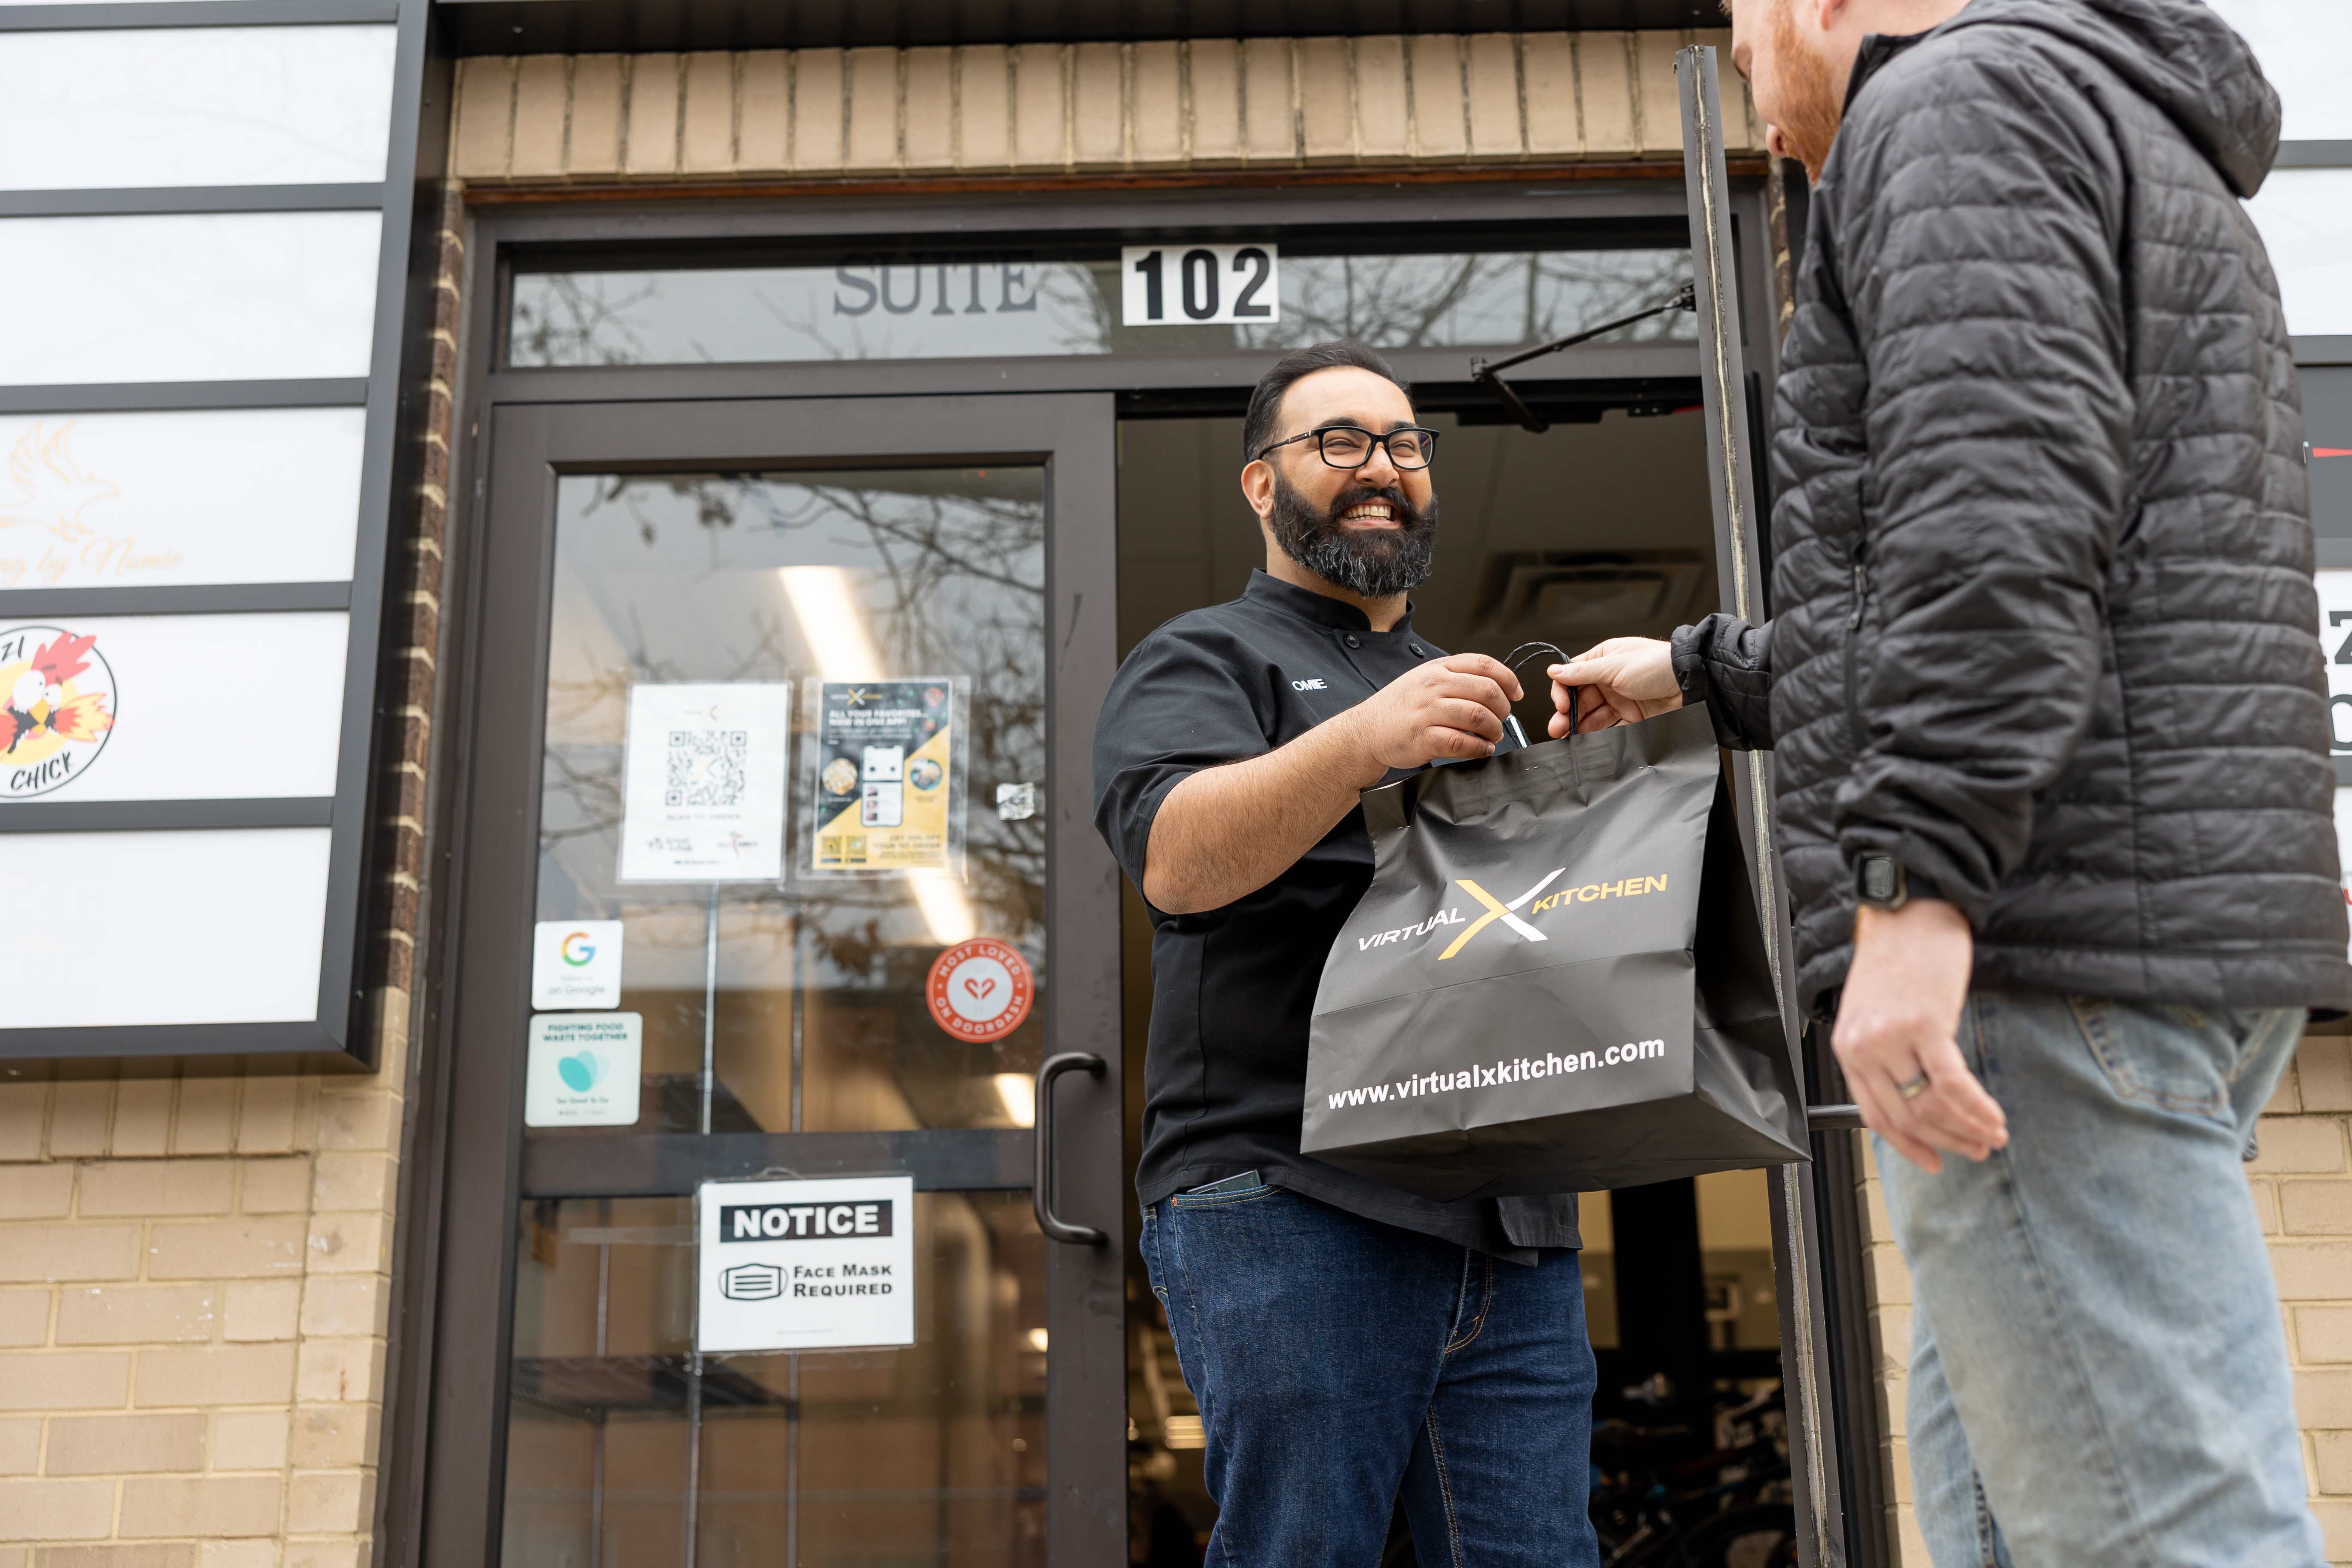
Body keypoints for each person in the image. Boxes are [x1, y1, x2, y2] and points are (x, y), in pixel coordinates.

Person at [1551, 0, 2352, 1562]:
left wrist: (1916, 887)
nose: (1745, 80)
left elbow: (1993, 532)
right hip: (2129, 928)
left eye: (1741, 24)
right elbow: (2014, 569)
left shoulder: (1959, 107)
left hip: (2038, 952)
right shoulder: (2116, 120)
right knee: (2002, 1509)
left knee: (2159, 1533)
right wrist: (1692, 669)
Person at [1092, 340, 1599, 1568]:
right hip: (1290, 1199)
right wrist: (1364, 741)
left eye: (1405, 445)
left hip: (1507, 1226)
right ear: (1261, 485)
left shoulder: (1472, 690)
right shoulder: (1204, 657)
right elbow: (1176, 858)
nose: (1381, 468)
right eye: (1340, 443)